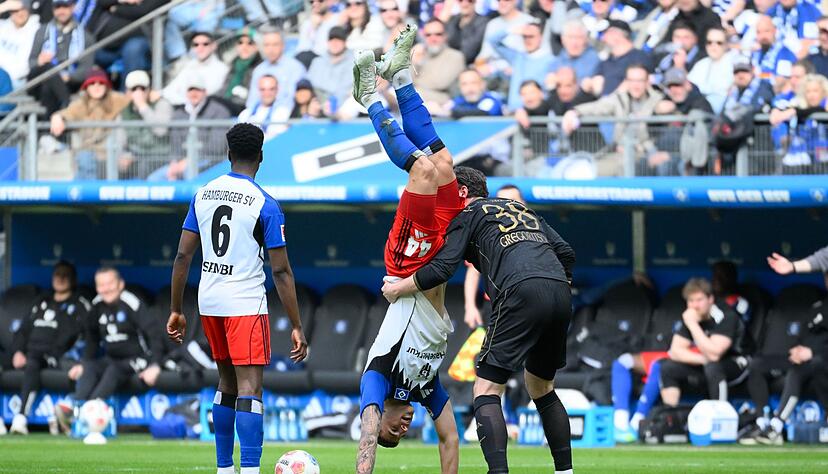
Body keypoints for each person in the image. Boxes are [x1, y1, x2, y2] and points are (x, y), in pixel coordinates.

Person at [382, 165, 575, 474]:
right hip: (560, 293)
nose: (442, 200)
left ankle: (498, 472)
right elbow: (566, 252)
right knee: (541, 386)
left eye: (446, 192)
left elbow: (443, 268)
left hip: (519, 292)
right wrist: (556, 283)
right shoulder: (519, 209)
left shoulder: (467, 215)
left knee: (485, 389)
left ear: (461, 192)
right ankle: (565, 471)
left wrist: (398, 287)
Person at [166, 122, 309, 474]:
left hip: (209, 301)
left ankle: (223, 469)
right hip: (245, 302)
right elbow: (281, 272)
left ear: (228, 155)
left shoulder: (203, 193)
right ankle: (248, 470)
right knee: (249, 387)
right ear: (260, 157)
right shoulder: (266, 203)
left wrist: (176, 310)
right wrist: (296, 325)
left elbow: (183, 257)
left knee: (225, 384)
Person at [351, 25, 462, 473]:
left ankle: (369, 100)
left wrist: (367, 460)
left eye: (392, 429)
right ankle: (400, 79)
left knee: (421, 172)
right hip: (438, 255)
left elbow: (367, 428)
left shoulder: (378, 376)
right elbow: (450, 436)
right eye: (403, 431)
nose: (402, 425)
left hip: (408, 263)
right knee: (443, 163)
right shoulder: (425, 386)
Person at [54, 267, 164, 433]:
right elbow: (91, 340)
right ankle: (76, 405)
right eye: (101, 285)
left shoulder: (132, 303)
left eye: (110, 284)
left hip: (140, 358)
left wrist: (155, 365)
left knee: (114, 370)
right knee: (90, 368)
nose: (106, 289)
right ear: (97, 288)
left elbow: (155, 335)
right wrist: (82, 364)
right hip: (112, 357)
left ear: (120, 284)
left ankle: (84, 413)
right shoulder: (97, 305)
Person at [7, 261, 88, 435]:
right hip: (26, 353)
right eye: (57, 274)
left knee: (33, 362)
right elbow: (22, 331)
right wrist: (17, 352)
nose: (60, 278)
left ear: (73, 279)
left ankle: (20, 418)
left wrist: (52, 353)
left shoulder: (78, 305)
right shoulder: (41, 300)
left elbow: (76, 338)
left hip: (50, 357)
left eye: (65, 275)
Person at [658, 278, 750, 407]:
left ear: (710, 299)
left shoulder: (725, 315)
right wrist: (702, 359)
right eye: (691, 301)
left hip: (738, 363)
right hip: (708, 363)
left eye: (699, 300)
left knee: (713, 367)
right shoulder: (692, 315)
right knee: (667, 367)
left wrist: (692, 324)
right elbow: (675, 351)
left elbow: (715, 355)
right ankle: (670, 414)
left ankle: (719, 414)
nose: (695, 305)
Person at [563, 64, 665, 177]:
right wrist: (575, 111)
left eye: (640, 81)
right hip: (619, 152)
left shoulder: (657, 100)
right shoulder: (620, 99)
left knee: (622, 167)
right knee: (587, 170)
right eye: (632, 80)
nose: (636, 85)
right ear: (626, 82)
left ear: (647, 82)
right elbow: (598, 107)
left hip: (647, 153)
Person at [49, 67, 130, 179]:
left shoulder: (116, 99)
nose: (96, 86)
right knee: (84, 161)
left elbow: (134, 100)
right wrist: (57, 117)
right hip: (89, 153)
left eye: (101, 83)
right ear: (87, 87)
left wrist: (153, 94)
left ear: (106, 86)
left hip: (111, 154)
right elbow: (67, 113)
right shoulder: (81, 104)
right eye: (92, 83)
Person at [462, 184, 524, 329]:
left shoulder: (539, 231)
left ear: (523, 203)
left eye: (513, 201)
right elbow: (473, 273)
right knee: (487, 350)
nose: (508, 206)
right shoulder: (487, 234)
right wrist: (470, 307)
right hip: (496, 306)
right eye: (503, 201)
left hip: (528, 305)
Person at [150, 76, 232, 181]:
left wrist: (188, 161)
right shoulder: (178, 114)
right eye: (190, 90)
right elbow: (175, 143)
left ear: (205, 92)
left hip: (211, 161)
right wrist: (175, 163)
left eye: (197, 90)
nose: (194, 93)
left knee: (189, 172)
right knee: (154, 179)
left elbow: (216, 147)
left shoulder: (219, 112)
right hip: (182, 163)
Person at [28, 0, 94, 117]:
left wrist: (68, 77)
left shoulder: (85, 36)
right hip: (39, 79)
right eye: (57, 7)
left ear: (73, 7)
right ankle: (65, 102)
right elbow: (31, 62)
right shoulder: (43, 31)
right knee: (47, 68)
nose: (61, 11)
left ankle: (48, 131)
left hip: (67, 83)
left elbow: (86, 69)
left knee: (48, 89)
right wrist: (39, 61)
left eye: (65, 6)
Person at [115, 70, 173, 179]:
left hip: (161, 157)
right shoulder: (124, 113)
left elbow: (160, 130)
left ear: (149, 90)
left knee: (144, 166)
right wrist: (124, 156)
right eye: (134, 89)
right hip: (136, 157)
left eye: (142, 89)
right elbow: (119, 142)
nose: (138, 93)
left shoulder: (162, 104)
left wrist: (142, 106)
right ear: (128, 92)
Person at [487, 21, 554, 110]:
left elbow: (548, 91)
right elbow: (492, 40)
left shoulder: (551, 60)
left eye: (531, 36)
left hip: (535, 112)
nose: (527, 40)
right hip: (513, 111)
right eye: (524, 36)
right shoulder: (517, 57)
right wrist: (511, 30)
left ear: (540, 38)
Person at [581, 20, 651, 97]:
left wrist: (611, 100)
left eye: (604, 33)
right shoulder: (607, 61)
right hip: (603, 105)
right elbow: (595, 82)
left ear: (616, 34)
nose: (602, 38)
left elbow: (638, 85)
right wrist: (590, 84)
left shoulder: (639, 57)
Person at [163, 32, 229, 106]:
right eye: (196, 45)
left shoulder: (221, 68)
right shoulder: (190, 65)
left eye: (205, 44)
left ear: (214, 46)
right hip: (184, 107)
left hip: (207, 110)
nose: (200, 48)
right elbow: (169, 90)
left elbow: (207, 96)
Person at [246, 28, 306, 111]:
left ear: (283, 46)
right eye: (267, 45)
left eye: (275, 44)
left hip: (284, 117)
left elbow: (291, 100)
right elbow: (252, 100)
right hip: (259, 115)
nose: (271, 49)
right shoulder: (258, 70)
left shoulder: (295, 68)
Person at [412, 18, 465, 108]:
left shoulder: (455, 56)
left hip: (444, 103)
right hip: (418, 100)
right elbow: (405, 83)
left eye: (438, 34)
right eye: (428, 35)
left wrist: (416, 83)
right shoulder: (417, 53)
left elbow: (440, 83)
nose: (433, 39)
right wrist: (415, 63)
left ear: (445, 36)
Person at [307, 26, 355, 117]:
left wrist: (330, 105)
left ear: (345, 42)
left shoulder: (355, 62)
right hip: (318, 107)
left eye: (338, 39)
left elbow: (349, 91)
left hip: (344, 110)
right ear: (327, 42)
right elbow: (310, 87)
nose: (334, 43)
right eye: (331, 39)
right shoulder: (317, 62)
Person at [688, 26, 736, 113]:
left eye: (719, 43)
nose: (713, 46)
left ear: (726, 44)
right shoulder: (701, 64)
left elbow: (724, 90)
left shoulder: (734, 62)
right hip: (698, 105)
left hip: (721, 109)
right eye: (709, 42)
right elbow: (690, 86)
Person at [219, 27, 262, 114]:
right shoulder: (233, 64)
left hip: (245, 108)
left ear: (256, 47)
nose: (244, 47)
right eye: (240, 42)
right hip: (228, 103)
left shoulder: (260, 67)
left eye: (250, 43)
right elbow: (224, 89)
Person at [0, 0, 40, 88]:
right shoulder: (3, 25)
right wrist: (3, 7)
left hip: (15, 81)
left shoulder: (37, 30)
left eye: (23, 9)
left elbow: (23, 68)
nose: (20, 14)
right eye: (15, 10)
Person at [752, 15, 797, 92]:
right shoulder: (756, 53)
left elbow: (781, 81)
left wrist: (758, 76)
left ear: (775, 31)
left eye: (766, 31)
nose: (763, 36)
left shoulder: (784, 53)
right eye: (759, 32)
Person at [237, 75, 291, 139]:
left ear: (277, 90)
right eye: (263, 89)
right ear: (258, 90)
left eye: (271, 89)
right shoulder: (246, 114)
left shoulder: (284, 113)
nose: (267, 93)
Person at [547, 20, 600, 84]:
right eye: (570, 37)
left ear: (586, 40)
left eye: (579, 37)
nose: (574, 42)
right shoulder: (555, 62)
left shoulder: (594, 59)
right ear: (562, 40)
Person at [441, 0, 490, 65]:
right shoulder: (452, 20)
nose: (464, 3)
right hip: (448, 63)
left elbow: (468, 53)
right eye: (460, 0)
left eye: (469, 0)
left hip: (469, 66)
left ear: (475, 1)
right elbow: (442, 43)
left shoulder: (483, 22)